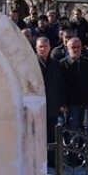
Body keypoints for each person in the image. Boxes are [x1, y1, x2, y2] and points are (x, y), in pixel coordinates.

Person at [35, 37, 64, 165]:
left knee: (51, 134)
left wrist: (62, 103)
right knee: (37, 134)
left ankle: (52, 160)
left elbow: (61, 85)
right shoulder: (31, 63)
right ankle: (39, 159)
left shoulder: (56, 64)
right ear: (36, 48)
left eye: (45, 46)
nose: (43, 49)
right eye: (40, 46)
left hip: (52, 104)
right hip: (37, 105)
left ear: (50, 47)